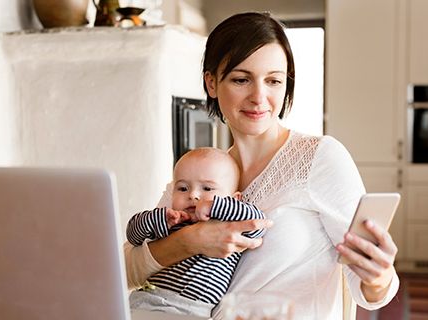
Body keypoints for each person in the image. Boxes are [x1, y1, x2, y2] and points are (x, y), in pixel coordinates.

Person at [124, 12, 400, 319]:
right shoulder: (202, 172)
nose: (259, 97)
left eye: (273, 81)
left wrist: (379, 276)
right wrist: (192, 240)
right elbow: (127, 269)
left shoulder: (320, 157)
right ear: (212, 83)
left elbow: (371, 292)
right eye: (242, 80)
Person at [126, 147, 266, 318]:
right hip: (146, 300)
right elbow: (133, 236)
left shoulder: (230, 224)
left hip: (191, 311)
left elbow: (257, 223)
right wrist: (158, 217)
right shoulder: (173, 221)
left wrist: (215, 206)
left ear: (234, 199)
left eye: (207, 189)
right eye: (183, 188)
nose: (193, 195)